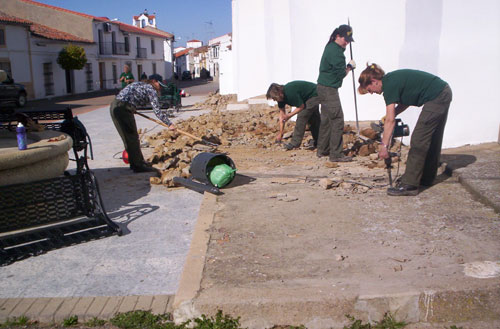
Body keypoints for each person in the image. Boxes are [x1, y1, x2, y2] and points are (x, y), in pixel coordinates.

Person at [358, 63, 452, 196]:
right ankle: (426, 178)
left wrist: (384, 146)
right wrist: (394, 113)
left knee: (419, 139)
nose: (371, 93)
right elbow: (407, 99)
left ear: (374, 81)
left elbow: (390, 122)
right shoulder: (392, 80)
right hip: (442, 91)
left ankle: (410, 185)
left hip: (437, 96)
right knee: (432, 138)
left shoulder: (389, 86)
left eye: (369, 89)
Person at [110, 75, 175, 173]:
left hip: (117, 106)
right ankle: (138, 166)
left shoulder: (141, 84)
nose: (160, 87)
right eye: (159, 84)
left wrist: (132, 107)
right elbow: (157, 111)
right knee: (131, 137)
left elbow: (130, 95)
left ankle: (138, 162)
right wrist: (169, 124)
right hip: (122, 108)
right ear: (153, 81)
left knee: (131, 137)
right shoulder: (151, 89)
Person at [316, 24, 356, 162]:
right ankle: (336, 154)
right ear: (338, 36)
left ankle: (322, 149)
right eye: (345, 39)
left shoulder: (330, 46)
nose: (347, 42)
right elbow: (340, 74)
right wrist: (350, 67)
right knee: (337, 119)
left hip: (322, 87)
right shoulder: (337, 53)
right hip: (329, 90)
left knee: (326, 120)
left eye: (349, 40)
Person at [266, 81, 321, 150]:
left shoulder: (290, 93)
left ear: (279, 93)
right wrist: (281, 133)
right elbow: (282, 116)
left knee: (302, 116)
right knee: (313, 120)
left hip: (315, 94)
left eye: (275, 98)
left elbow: (301, 106)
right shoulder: (280, 99)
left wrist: (289, 116)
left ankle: (295, 143)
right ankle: (320, 142)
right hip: (308, 97)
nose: (274, 100)